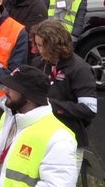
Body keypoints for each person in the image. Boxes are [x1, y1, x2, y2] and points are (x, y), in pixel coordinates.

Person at [0, 65, 78, 187]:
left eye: (12, 87)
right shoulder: (9, 117)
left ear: (28, 96)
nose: (5, 90)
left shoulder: (59, 138)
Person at [32, 20, 97, 158]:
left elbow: (89, 109)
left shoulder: (80, 69)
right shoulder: (39, 63)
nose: (40, 50)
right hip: (40, 135)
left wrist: (52, 105)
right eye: (37, 45)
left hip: (69, 139)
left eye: (43, 46)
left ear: (55, 45)